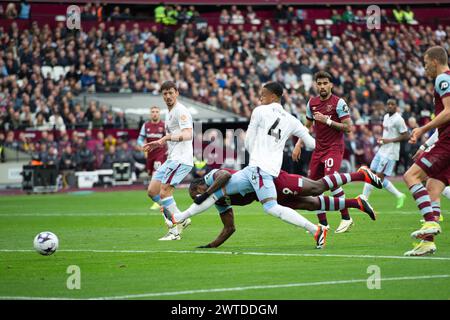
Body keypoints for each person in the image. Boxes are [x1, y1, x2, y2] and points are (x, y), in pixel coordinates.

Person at [165, 82, 330, 249]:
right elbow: (311, 144)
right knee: (216, 194)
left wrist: (255, 156)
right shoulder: (292, 120)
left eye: (263, 95)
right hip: (258, 170)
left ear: (273, 96)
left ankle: (315, 230)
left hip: (259, 168)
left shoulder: (259, 111)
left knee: (271, 207)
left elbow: (249, 139)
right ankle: (179, 217)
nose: (260, 98)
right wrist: (327, 133)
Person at [182, 166, 380, 248]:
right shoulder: (219, 201)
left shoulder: (211, 179)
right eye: (195, 198)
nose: (198, 199)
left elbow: (224, 175)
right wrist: (210, 246)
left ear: (201, 185)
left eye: (196, 193)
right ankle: (357, 203)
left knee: (316, 187)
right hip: (269, 193)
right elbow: (229, 228)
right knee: (311, 205)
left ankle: (360, 174)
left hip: (274, 180)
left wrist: (205, 195)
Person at [292, 71, 354, 233]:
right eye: (319, 84)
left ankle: (346, 218)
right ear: (315, 85)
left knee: (330, 180)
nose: (322, 86)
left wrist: (327, 120)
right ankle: (324, 224)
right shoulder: (311, 103)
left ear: (331, 85)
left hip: (334, 148)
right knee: (312, 188)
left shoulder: (339, 103)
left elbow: (348, 128)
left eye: (325, 83)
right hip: (318, 150)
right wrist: (299, 143)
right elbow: (307, 126)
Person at [403, 46, 450, 256]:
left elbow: (449, 112)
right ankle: (429, 242)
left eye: (425, 62)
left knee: (411, 175)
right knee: (432, 187)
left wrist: (423, 128)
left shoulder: (442, 79)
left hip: (447, 142)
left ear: (434, 61)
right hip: (445, 140)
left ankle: (430, 222)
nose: (424, 67)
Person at [143, 81, 193, 241]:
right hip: (172, 158)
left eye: (171, 93)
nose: (168, 96)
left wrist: (164, 138)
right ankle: (181, 218)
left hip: (181, 159)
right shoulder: (168, 113)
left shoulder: (181, 111)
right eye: (165, 93)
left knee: (164, 192)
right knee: (152, 191)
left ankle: (175, 231)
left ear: (177, 93)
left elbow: (188, 135)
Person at [362, 99, 409, 207]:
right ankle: (364, 200)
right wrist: (382, 139)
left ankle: (398, 195)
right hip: (382, 150)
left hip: (390, 153)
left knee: (378, 179)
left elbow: (406, 135)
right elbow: (388, 133)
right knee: (371, 173)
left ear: (396, 106)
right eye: (388, 104)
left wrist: (389, 140)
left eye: (392, 104)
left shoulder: (399, 119)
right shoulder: (386, 117)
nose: (390, 106)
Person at [137, 106, 167, 210]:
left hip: (161, 154)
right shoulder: (146, 125)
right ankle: (158, 198)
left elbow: (168, 139)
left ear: (159, 113)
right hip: (150, 155)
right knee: (151, 175)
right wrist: (143, 146)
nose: (154, 113)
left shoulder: (164, 125)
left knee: (156, 174)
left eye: (156, 112)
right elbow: (140, 139)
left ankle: (159, 202)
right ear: (150, 114)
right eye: (153, 112)